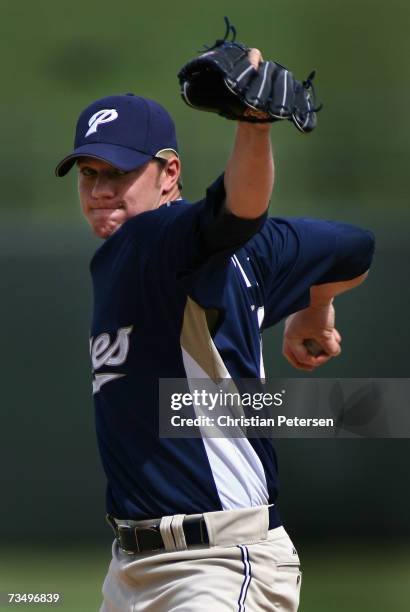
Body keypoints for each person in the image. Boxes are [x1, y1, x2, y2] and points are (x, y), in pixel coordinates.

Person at [56, 48, 374, 612]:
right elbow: (353, 249)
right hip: (134, 568)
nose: (101, 189)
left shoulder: (151, 237)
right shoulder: (258, 251)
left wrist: (253, 127)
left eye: (120, 172)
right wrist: (315, 306)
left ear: (169, 173)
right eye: (89, 173)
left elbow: (237, 211)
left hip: (215, 566)